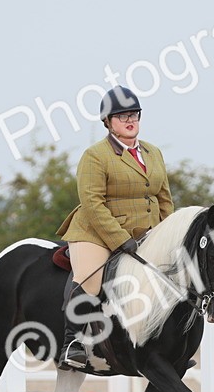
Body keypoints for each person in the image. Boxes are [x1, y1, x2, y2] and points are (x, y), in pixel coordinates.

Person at [55, 85, 174, 369]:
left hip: (145, 233)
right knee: (91, 278)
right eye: (122, 117)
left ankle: (168, 346)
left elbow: (164, 199)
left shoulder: (153, 153)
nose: (130, 120)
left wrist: (168, 235)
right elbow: (93, 203)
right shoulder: (95, 156)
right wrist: (120, 239)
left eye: (134, 114)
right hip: (96, 232)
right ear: (108, 123)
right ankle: (73, 342)